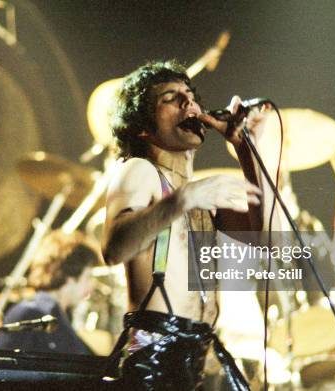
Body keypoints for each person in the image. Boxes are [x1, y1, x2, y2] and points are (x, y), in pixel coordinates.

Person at [101, 60, 273, 390]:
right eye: (170, 97)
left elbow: (270, 240)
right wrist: (183, 199)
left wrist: (246, 146)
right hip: (153, 361)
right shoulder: (139, 171)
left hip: (194, 361)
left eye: (190, 95)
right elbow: (113, 248)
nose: (188, 103)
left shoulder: (200, 197)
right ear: (142, 126)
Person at [0, 230, 100, 355]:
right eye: (88, 276)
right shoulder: (30, 313)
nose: (92, 284)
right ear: (69, 277)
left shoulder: (59, 315)